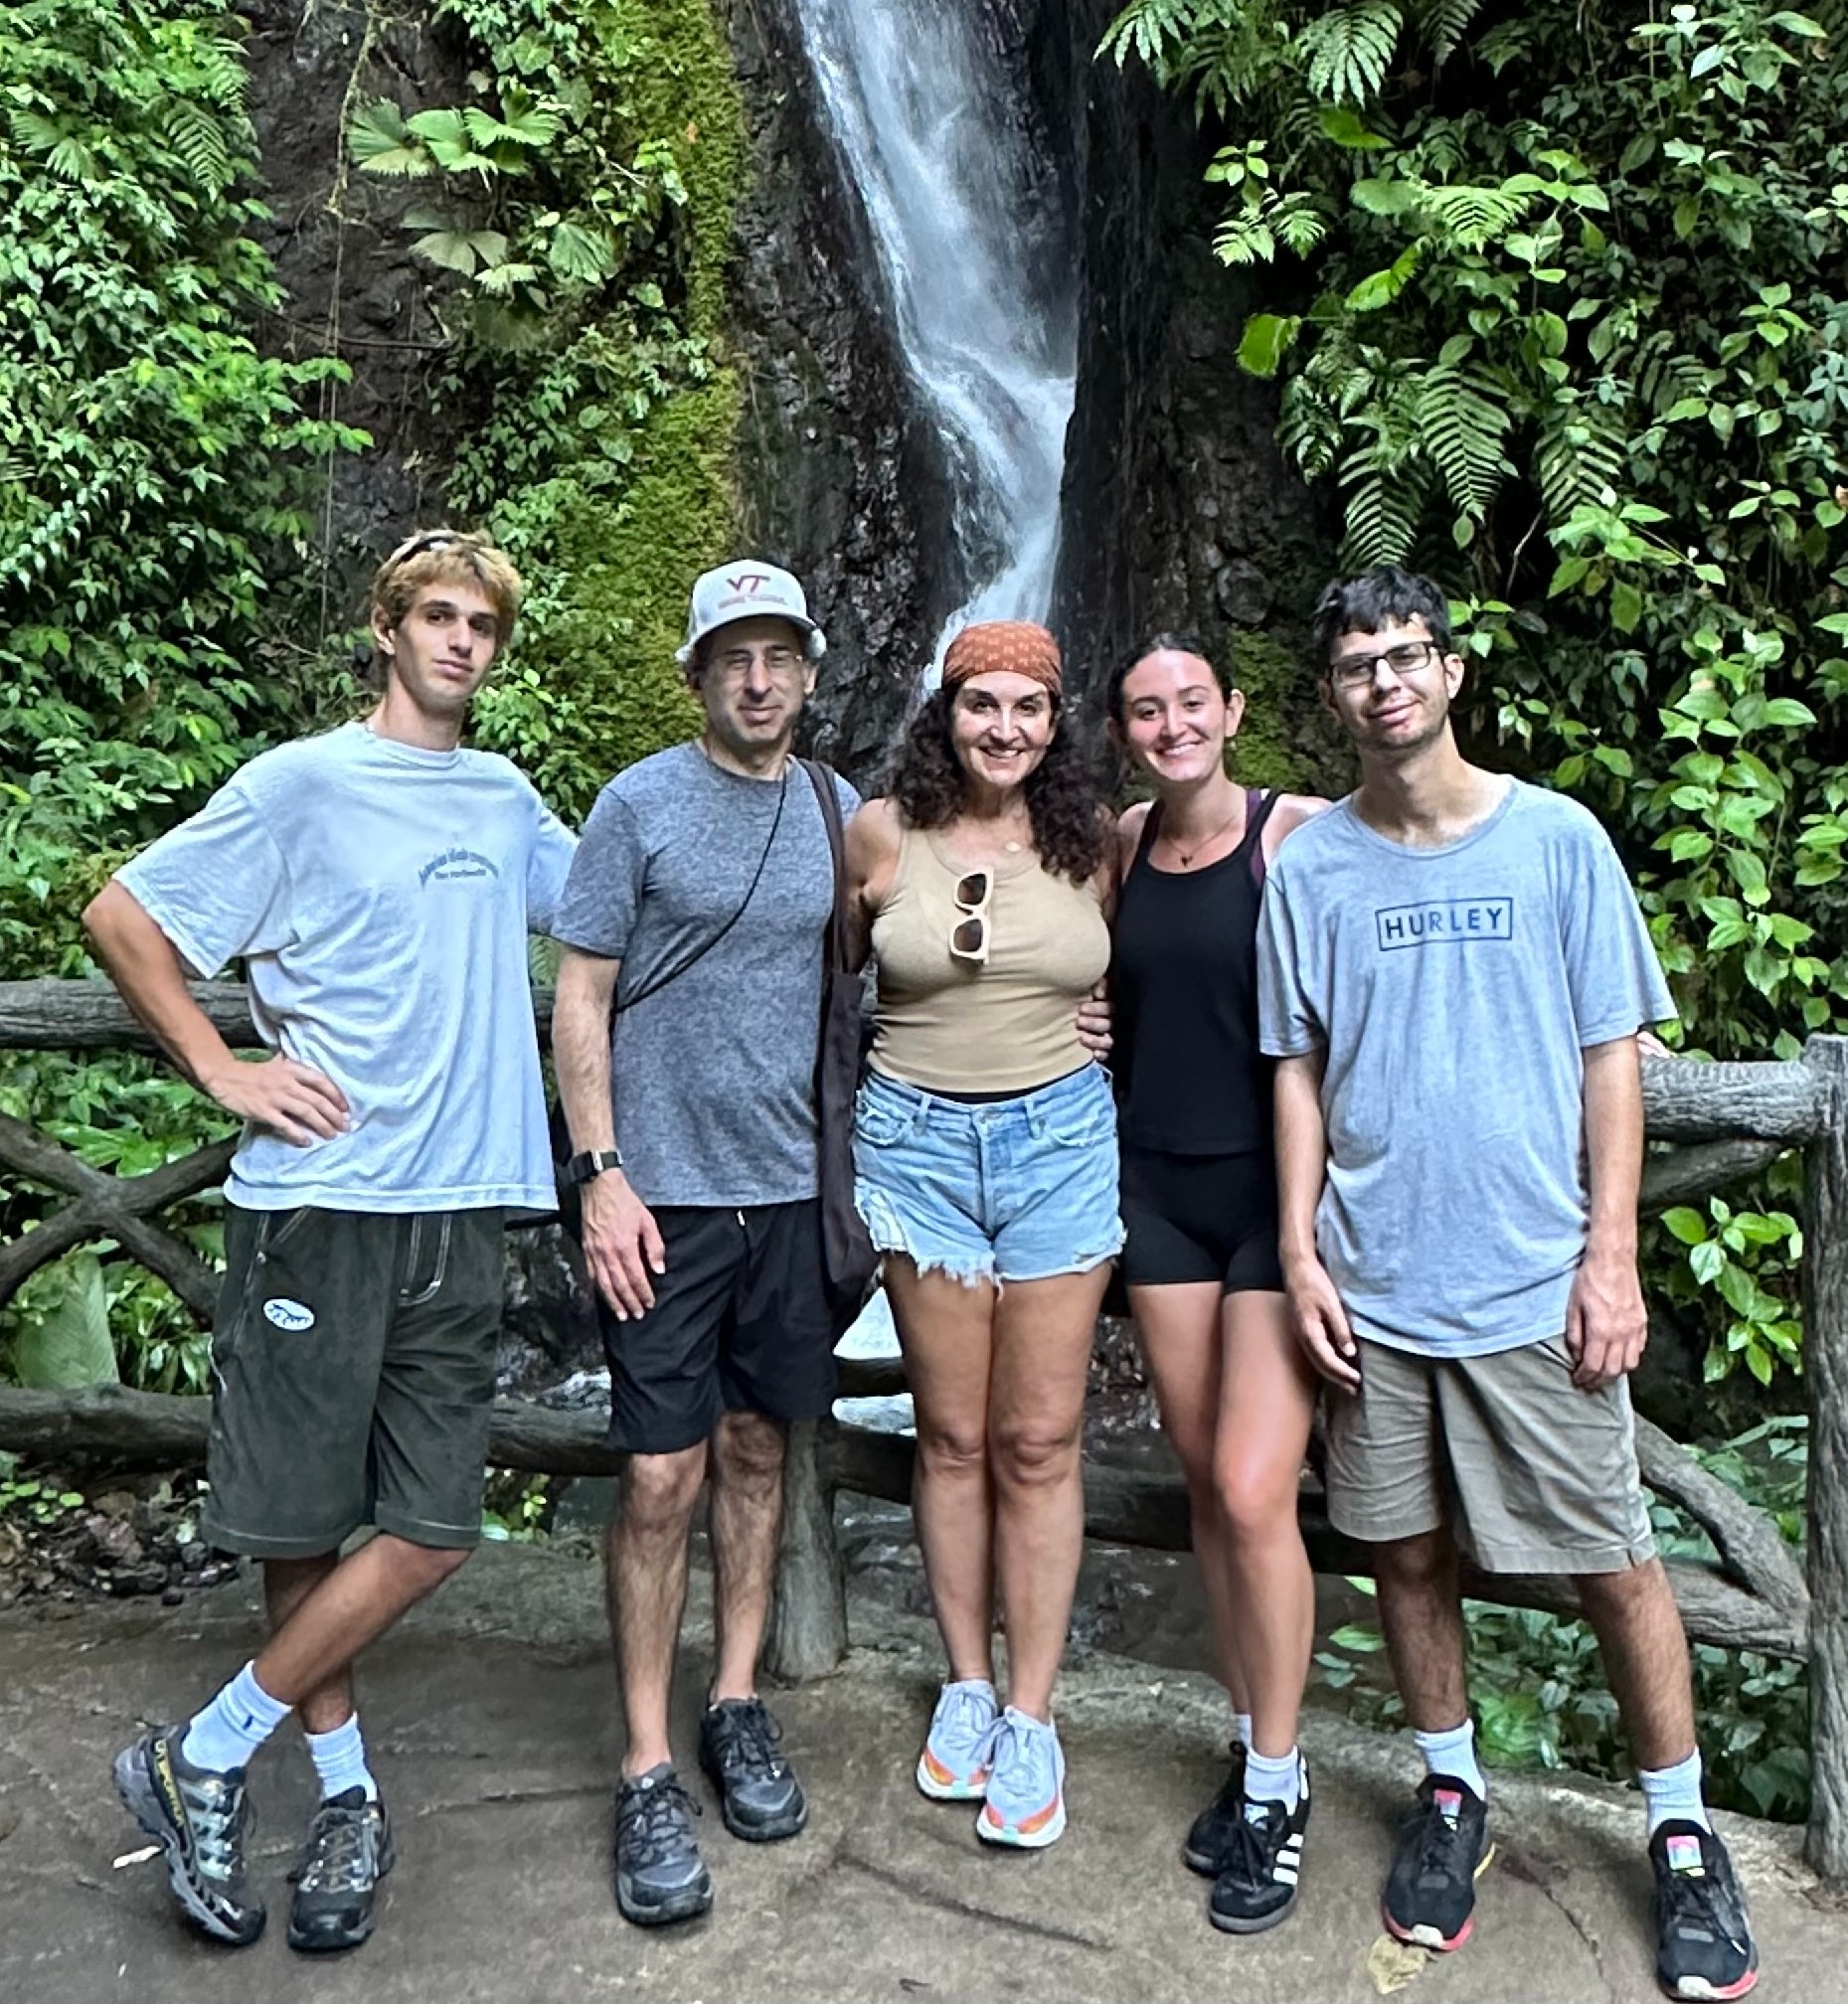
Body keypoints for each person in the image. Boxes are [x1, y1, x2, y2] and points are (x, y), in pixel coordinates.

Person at [1260, 568, 1760, 2000]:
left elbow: (1614, 1057)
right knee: (1404, 1551)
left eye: (1406, 656)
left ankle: (1680, 1832)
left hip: (1535, 1282)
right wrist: (1298, 1250)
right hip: (1374, 1282)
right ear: (1334, 693)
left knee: (1612, 1560)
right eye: (1358, 665)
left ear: (1453, 672)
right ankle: (1450, 1788)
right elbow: (1296, 1067)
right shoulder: (1312, 871)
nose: (1385, 683)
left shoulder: (1557, 841)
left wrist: (1613, 1255)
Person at [85, 528, 576, 1957]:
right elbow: (124, 917)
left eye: (484, 624)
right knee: (301, 1522)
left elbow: (618, 906)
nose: (462, 641)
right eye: (440, 616)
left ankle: (204, 1752)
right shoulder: (300, 784)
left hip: (460, 1204)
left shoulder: (503, 799)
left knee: (430, 1529)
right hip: (321, 1204)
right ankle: (346, 1796)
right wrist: (221, 1071)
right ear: (387, 627)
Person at [548, 561, 856, 1927]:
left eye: (778, 655)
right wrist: (600, 1175)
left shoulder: (841, 810)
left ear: (808, 671)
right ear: (697, 675)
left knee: (756, 1450)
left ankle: (732, 1701)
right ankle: (643, 1761)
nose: (758, 679)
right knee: (659, 1472)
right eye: (734, 656)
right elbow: (582, 995)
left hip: (789, 1193)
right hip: (660, 1197)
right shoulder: (637, 805)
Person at [844, 619, 1119, 1850]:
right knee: (952, 1436)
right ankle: (966, 1682)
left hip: (1061, 1141)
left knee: (1040, 1440)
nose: (1003, 728)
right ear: (944, 712)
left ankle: (1033, 1712)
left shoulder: (1093, 841)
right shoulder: (878, 833)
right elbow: (831, 972)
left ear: (1055, 723)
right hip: (914, 1146)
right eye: (980, 704)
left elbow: (1138, 966)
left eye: (1027, 707)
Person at [1101, 634, 1329, 1932]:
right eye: (1148, 709)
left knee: (1253, 1488)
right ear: (1123, 732)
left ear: (1234, 711)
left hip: (1272, 1202)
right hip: (1155, 1191)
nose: (1174, 724)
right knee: (1204, 1481)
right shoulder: (1123, 845)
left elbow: (1403, 912)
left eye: (1193, 701)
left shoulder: (1294, 831)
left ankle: (1280, 1786)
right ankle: (1254, 1744)